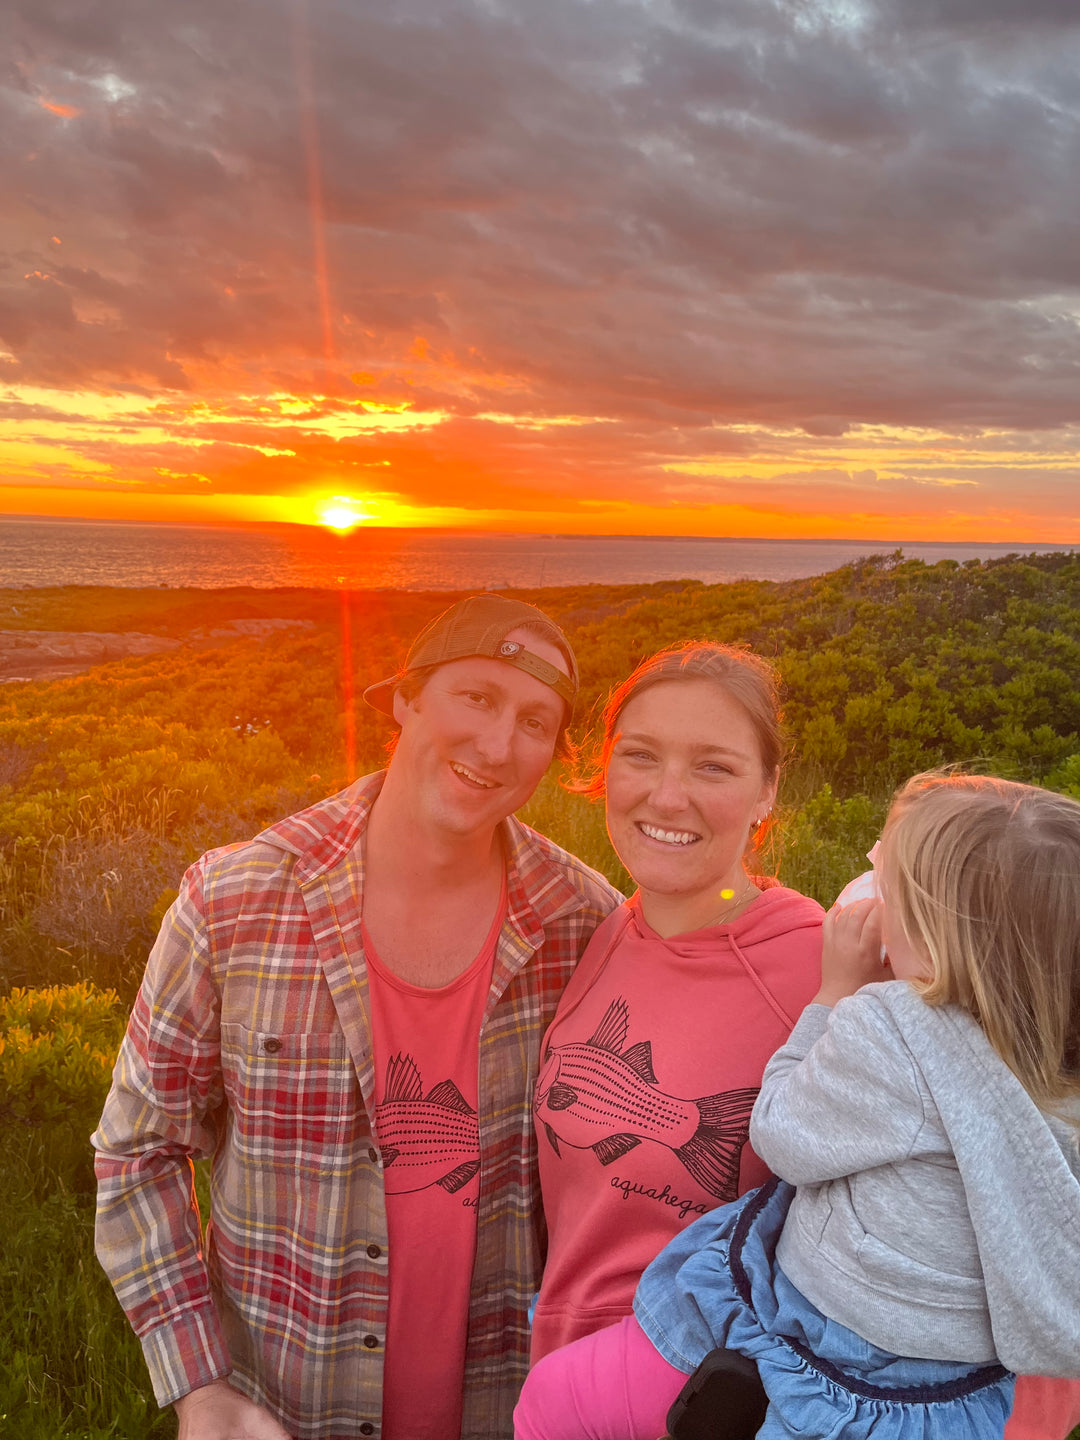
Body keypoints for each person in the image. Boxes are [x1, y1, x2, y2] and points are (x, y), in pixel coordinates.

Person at [93, 594, 621, 1440]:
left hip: (510, 1408)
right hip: (282, 1408)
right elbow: (138, 1148)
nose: (497, 745)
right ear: (405, 700)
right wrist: (198, 1383)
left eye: (534, 721)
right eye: (476, 697)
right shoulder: (237, 900)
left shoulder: (587, 922)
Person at [515, 772, 1080, 1440]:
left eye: (886, 887)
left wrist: (834, 995)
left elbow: (782, 1135)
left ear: (932, 931)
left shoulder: (894, 1025)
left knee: (554, 1401)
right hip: (949, 1398)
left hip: (813, 1349)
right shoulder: (1062, 1068)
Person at [529, 642, 825, 1364]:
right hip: (557, 1385)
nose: (666, 796)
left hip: (704, 1400)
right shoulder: (600, 934)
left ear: (767, 792)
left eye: (713, 766)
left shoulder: (826, 967)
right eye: (640, 756)